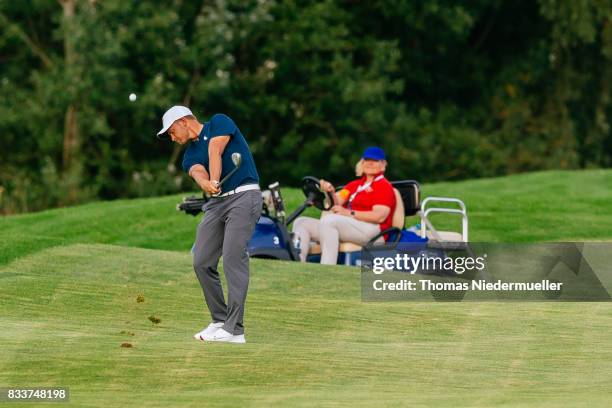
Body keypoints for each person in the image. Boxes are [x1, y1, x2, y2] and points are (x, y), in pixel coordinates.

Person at [157, 106, 262, 344]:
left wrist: (215, 179)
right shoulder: (189, 155)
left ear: (184, 121)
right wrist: (206, 183)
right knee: (202, 260)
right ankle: (220, 320)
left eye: (172, 132)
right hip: (217, 204)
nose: (172, 138)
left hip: (244, 197)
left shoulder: (219, 122)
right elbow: (197, 171)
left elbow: (215, 150)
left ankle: (235, 330)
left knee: (233, 257)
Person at [292, 147, 396, 264]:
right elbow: (334, 204)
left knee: (329, 221)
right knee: (301, 222)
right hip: (351, 226)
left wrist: (349, 213)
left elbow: (379, 216)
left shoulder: (383, 186)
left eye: (375, 160)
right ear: (362, 162)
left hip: (374, 230)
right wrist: (330, 191)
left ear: (383, 164)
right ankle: (298, 264)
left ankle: (326, 268)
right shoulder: (354, 185)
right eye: (367, 160)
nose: (370, 163)